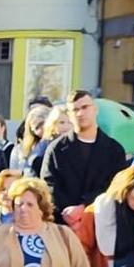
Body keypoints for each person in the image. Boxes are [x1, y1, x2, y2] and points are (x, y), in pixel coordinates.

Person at [41, 91, 128, 222]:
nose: (80, 113)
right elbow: (49, 185)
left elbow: (115, 187)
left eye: (85, 107)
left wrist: (84, 207)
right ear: (69, 115)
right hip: (63, 222)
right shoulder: (56, 149)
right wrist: (68, 211)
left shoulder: (114, 150)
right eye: (75, 109)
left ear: (95, 109)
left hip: (100, 222)